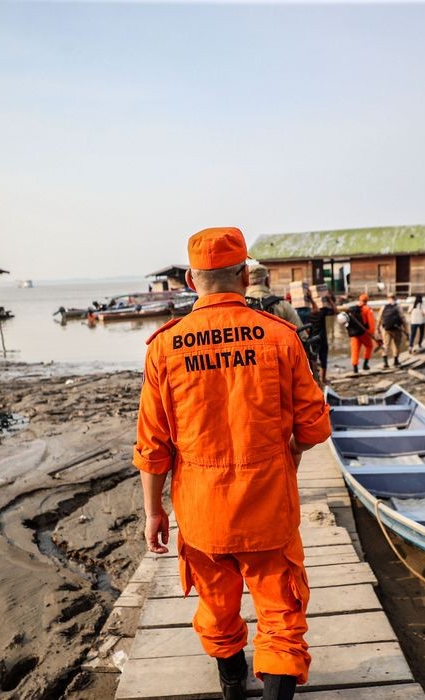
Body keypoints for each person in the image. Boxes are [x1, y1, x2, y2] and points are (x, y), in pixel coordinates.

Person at [134, 227, 331, 700]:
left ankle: (232, 687)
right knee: (281, 613)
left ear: (189, 279)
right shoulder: (280, 337)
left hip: (202, 511)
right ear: (244, 275)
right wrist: (289, 459)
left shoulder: (165, 346)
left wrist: (154, 511)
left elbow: (152, 443)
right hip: (268, 506)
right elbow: (312, 425)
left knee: (218, 608)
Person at [246, 262, 303, 328]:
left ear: (246, 282)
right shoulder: (282, 305)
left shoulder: (241, 304)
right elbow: (301, 334)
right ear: (267, 280)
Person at [310, 285, 337, 384]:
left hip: (311, 339)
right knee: (322, 357)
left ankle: (315, 379)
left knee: (312, 358)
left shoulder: (305, 312)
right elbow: (336, 311)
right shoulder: (321, 311)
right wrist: (330, 300)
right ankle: (323, 379)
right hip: (321, 338)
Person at [346, 293, 376, 373]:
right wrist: (371, 333)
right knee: (369, 346)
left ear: (360, 300)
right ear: (367, 300)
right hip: (364, 333)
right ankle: (365, 364)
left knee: (355, 350)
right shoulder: (367, 309)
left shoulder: (353, 309)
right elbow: (371, 323)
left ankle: (355, 368)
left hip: (353, 333)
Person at [376, 294, 405, 368]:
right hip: (397, 329)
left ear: (388, 298)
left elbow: (379, 318)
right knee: (396, 345)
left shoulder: (384, 307)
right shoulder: (398, 307)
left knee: (385, 345)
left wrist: (377, 328)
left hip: (386, 329)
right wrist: (406, 330)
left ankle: (385, 363)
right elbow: (403, 319)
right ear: (395, 298)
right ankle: (396, 362)